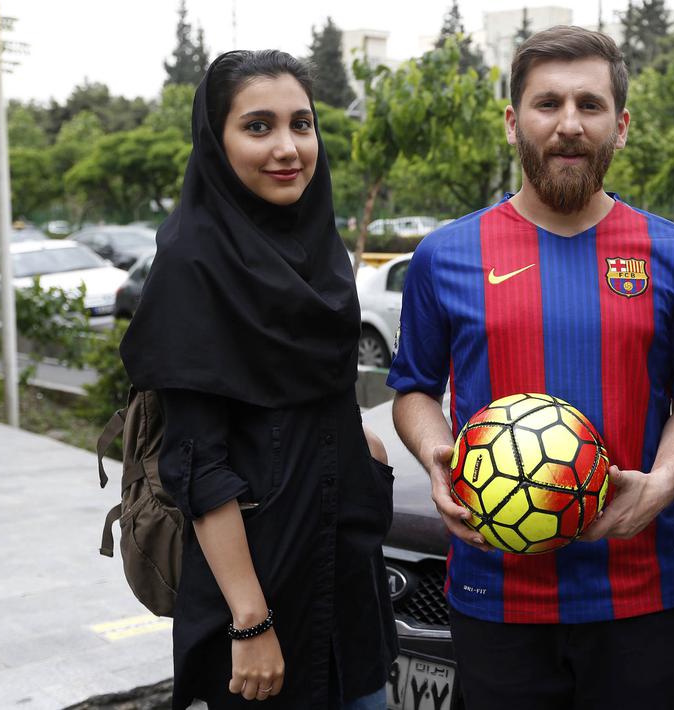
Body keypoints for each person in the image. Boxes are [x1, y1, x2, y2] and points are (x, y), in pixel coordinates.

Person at [388, 26, 674, 710]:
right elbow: (414, 390)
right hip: (494, 592)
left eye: (590, 105)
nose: (569, 125)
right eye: (547, 104)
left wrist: (660, 484)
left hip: (636, 594)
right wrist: (434, 455)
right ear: (513, 122)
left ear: (620, 126)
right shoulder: (445, 254)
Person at [120, 50, 397, 709]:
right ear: (215, 141)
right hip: (258, 584)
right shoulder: (195, 260)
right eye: (257, 126)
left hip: (343, 566)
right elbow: (197, 465)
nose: (287, 147)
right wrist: (251, 620)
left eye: (301, 124)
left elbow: (326, 392)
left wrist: (366, 451)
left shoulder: (318, 249)